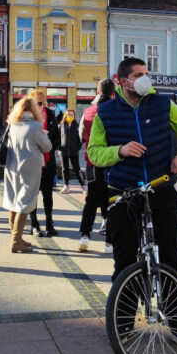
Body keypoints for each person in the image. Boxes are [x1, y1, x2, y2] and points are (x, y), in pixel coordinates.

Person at [87, 57, 177, 282]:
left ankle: (176, 316)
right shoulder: (105, 112)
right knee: (124, 262)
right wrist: (119, 151)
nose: (145, 79)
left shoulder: (162, 103)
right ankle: (124, 315)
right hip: (122, 191)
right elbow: (94, 153)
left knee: (170, 258)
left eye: (146, 74)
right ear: (122, 82)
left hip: (161, 187)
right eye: (138, 75)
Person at [2, 96, 53, 253]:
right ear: (34, 109)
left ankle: (15, 237)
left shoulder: (12, 124)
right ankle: (16, 240)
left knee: (13, 199)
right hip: (29, 169)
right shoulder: (36, 126)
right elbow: (47, 147)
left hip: (11, 166)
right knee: (25, 203)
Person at [78, 79, 115, 253]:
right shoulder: (117, 110)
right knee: (111, 200)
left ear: (98, 91)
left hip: (92, 162)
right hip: (111, 163)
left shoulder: (88, 111)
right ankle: (109, 242)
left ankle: (84, 236)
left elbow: (81, 136)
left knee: (91, 201)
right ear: (113, 93)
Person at [28, 89, 61, 237]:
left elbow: (57, 138)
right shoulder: (27, 118)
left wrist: (48, 143)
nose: (39, 106)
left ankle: (49, 224)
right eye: (35, 103)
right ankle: (34, 225)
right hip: (32, 161)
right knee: (32, 195)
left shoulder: (51, 116)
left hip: (48, 161)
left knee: (48, 195)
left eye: (41, 103)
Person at [60, 109, 85, 194]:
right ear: (66, 115)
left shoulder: (76, 125)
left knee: (77, 169)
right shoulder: (61, 125)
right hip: (64, 151)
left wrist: (78, 147)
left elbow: (81, 138)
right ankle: (66, 186)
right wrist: (59, 148)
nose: (70, 116)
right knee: (64, 169)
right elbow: (58, 137)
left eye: (72, 115)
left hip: (74, 151)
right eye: (69, 114)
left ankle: (83, 186)